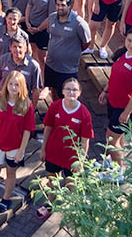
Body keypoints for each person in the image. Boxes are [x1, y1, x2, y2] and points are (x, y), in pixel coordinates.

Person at [34, 77, 93, 221]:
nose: (71, 92)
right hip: (54, 152)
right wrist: (43, 149)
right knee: (52, 180)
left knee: (71, 183)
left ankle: (71, 206)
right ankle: (50, 203)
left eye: (74, 90)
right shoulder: (55, 106)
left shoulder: (84, 114)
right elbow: (48, 128)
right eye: (68, 89)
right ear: (63, 91)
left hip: (71, 158)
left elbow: (85, 141)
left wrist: (80, 161)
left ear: (79, 93)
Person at [0, 71, 34, 213]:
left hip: (14, 147)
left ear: (22, 86)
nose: (13, 87)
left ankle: (6, 198)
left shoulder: (26, 105)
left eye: (17, 85)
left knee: (10, 174)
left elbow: (27, 130)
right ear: (6, 84)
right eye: (10, 84)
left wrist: (21, 151)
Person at [99, 28, 132, 165]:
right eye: (129, 40)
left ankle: (118, 170)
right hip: (113, 102)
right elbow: (115, 75)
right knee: (118, 137)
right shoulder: (124, 54)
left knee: (111, 139)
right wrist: (105, 91)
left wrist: (126, 113)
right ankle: (114, 160)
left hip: (123, 107)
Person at [44, 0, 90, 99]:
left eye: (63, 5)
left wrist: (72, 52)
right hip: (51, 64)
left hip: (67, 69)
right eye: (57, 4)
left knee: (67, 95)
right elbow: (51, 35)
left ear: (69, 6)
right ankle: (55, 108)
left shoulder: (79, 23)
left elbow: (86, 42)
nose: (60, 8)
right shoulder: (52, 18)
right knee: (53, 90)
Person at [0, 35, 43, 110]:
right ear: (10, 48)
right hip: (4, 102)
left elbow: (36, 89)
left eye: (20, 47)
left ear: (25, 49)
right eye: (14, 47)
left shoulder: (33, 66)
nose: (17, 50)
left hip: (22, 104)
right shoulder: (3, 60)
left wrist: (32, 108)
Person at [25, 0, 57, 75]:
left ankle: (43, 80)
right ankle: (35, 75)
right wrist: (27, 22)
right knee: (33, 52)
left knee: (42, 58)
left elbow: (51, 16)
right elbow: (29, 5)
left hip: (43, 31)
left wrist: (38, 29)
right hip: (31, 27)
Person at [0, 8, 30, 84]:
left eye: (15, 19)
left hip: (16, 72)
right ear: (6, 18)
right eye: (10, 18)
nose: (12, 21)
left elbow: (26, 55)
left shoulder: (24, 36)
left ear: (19, 20)